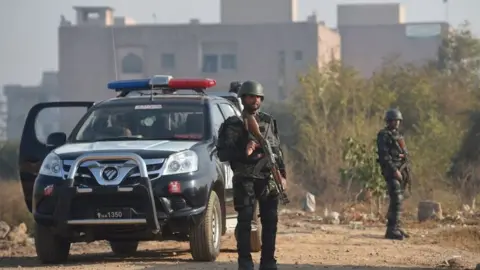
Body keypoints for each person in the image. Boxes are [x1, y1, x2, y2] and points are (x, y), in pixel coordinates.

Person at [376, 108, 410, 240]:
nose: (396, 123)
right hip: (392, 171)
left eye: (398, 121)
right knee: (396, 198)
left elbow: (404, 153)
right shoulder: (383, 135)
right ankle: (391, 230)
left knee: (398, 200)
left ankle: (395, 226)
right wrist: (394, 170)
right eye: (394, 120)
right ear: (388, 121)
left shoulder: (398, 135)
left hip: (402, 170)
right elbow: (384, 155)